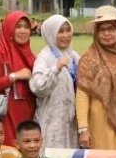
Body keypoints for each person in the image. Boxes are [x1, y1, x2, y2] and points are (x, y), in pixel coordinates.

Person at [76, 6, 116, 151]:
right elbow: (82, 95)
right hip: (101, 121)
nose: (106, 33)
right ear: (96, 33)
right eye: (102, 30)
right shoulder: (89, 58)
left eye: (111, 29)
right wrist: (83, 129)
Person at [0, 10, 36, 145]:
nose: (23, 31)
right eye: (18, 26)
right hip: (4, 120)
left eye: (26, 27)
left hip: (27, 120)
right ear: (9, 28)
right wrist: (13, 77)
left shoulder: (31, 57)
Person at [31, 14, 80, 150]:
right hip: (52, 119)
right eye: (60, 31)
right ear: (51, 33)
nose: (66, 35)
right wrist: (55, 69)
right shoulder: (45, 57)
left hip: (72, 121)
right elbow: (36, 87)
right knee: (52, 154)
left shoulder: (74, 56)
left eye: (68, 30)